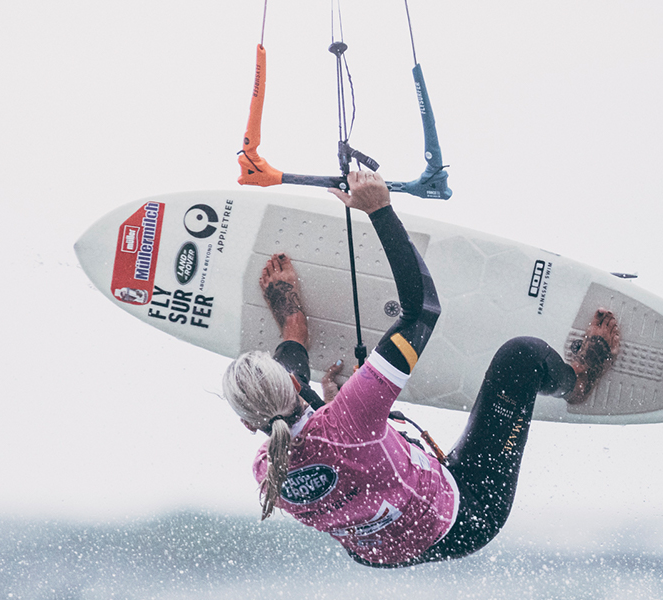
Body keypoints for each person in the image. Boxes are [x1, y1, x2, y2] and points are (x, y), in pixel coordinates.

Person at [222, 170, 620, 567]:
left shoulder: (265, 471)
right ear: (294, 379)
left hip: (381, 552)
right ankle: (580, 381)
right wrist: (379, 210)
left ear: (245, 425)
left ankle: (294, 321)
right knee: (523, 357)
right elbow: (422, 309)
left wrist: (331, 397)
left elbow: (303, 421)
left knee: (308, 427)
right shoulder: (348, 418)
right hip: (467, 516)